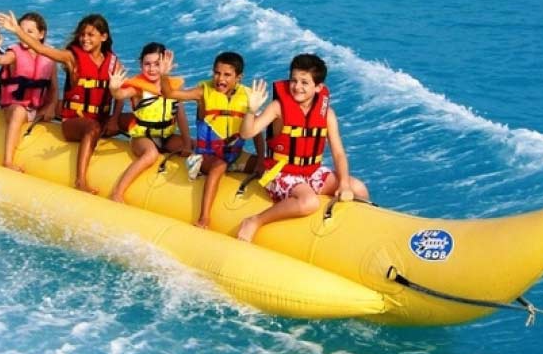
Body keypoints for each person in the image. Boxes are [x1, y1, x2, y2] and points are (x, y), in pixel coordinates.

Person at [237, 53, 368, 242]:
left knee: (359, 188)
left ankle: (354, 235)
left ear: (318, 87)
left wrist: (344, 184)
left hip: (312, 172)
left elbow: (338, 153)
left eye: (304, 82)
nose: (297, 87)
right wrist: (251, 110)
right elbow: (246, 133)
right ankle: (255, 220)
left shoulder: (327, 114)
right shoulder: (278, 108)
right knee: (309, 202)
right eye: (294, 80)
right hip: (281, 173)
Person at [0, 11, 120, 194]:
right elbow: (42, 49)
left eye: (90, 35)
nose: (85, 39)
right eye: (82, 34)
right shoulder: (71, 57)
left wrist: (115, 118)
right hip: (74, 121)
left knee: (128, 120)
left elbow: (122, 93)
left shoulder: (113, 63)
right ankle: (80, 181)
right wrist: (17, 31)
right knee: (91, 127)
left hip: (99, 118)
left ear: (104, 37)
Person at [161, 51, 264, 228]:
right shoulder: (203, 92)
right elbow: (169, 94)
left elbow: (256, 131)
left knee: (267, 167)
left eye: (227, 75)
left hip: (235, 156)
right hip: (206, 157)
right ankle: (204, 218)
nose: (220, 79)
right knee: (219, 165)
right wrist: (164, 74)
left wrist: (261, 159)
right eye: (217, 73)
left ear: (239, 77)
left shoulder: (248, 96)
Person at [107, 42, 192, 202]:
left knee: (195, 145)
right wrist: (114, 89)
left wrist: (187, 143)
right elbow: (120, 95)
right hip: (142, 137)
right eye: (147, 64)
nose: (152, 69)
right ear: (141, 65)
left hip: (166, 136)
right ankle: (117, 192)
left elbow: (181, 116)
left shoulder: (173, 87)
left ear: (165, 64)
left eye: (157, 64)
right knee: (151, 154)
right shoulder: (139, 88)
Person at [0, 13, 58, 171]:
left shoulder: (49, 56)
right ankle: (8, 161)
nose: (24, 35)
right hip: (14, 106)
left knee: (65, 106)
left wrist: (50, 107)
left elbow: (53, 87)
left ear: (41, 34)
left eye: (29, 32)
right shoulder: (14, 52)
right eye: (21, 30)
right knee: (19, 111)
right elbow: (0, 60)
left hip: (37, 107)